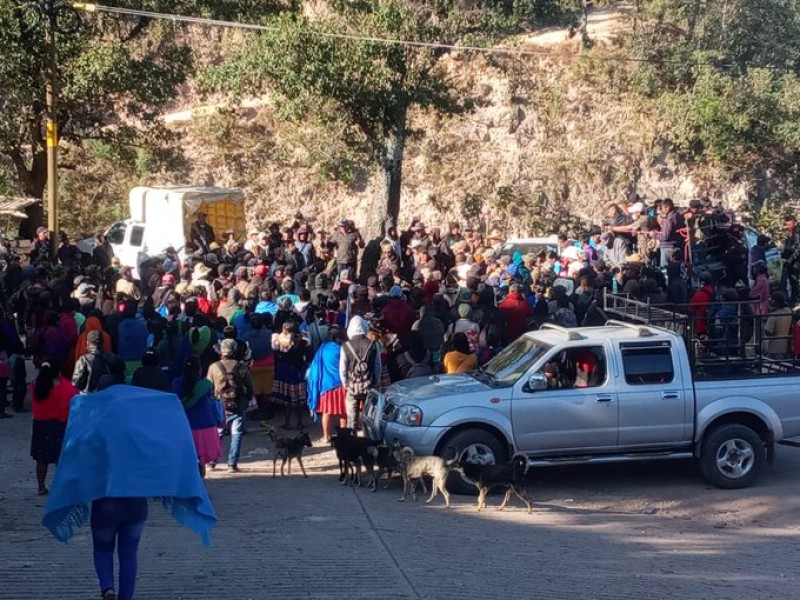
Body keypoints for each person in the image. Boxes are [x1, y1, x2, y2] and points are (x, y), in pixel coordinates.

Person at [42, 386, 217, 600]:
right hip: (136, 505)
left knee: (103, 549)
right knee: (128, 555)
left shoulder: (98, 439)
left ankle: (107, 588)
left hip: (106, 505)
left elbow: (77, 457)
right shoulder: (140, 442)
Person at [30, 362, 78, 495]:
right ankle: (60, 486)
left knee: (41, 459)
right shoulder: (64, 387)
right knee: (60, 458)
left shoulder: (35, 385)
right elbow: (73, 400)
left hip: (40, 426)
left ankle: (41, 486)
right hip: (58, 425)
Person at [207, 338, 253, 473]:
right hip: (238, 404)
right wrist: (246, 400)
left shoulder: (214, 367)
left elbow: (209, 387)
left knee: (218, 433)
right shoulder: (242, 367)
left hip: (219, 405)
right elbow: (250, 386)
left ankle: (211, 462)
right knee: (237, 434)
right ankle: (232, 464)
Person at [173, 355, 222, 478]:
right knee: (201, 462)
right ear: (199, 369)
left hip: (184, 425)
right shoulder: (205, 384)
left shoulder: (176, 383)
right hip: (205, 426)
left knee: (187, 460)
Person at [307, 325, 347, 442]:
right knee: (343, 412)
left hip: (327, 385)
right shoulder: (343, 348)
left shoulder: (323, 348)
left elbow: (315, 367)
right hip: (342, 385)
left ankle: (326, 436)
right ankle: (343, 437)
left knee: (327, 413)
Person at [339, 316, 381, 429]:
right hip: (369, 385)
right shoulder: (373, 344)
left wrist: (345, 385)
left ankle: (352, 441)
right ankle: (369, 441)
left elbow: (342, 369)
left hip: (352, 387)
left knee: (352, 419)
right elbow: (378, 366)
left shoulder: (345, 346)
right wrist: (374, 382)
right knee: (370, 417)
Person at [271, 320, 309, 430]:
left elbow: (277, 352)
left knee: (286, 399)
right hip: (297, 372)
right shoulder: (303, 341)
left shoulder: (278, 340)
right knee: (298, 399)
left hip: (285, 371)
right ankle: (300, 423)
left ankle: (287, 423)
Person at [763, 292, 793, 358]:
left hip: (774, 348)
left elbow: (768, 332)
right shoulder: (788, 310)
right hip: (787, 346)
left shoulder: (773, 315)